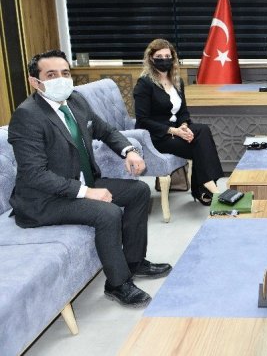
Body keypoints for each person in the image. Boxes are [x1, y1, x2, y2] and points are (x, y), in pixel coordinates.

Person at [8, 50, 172, 308]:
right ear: (34, 81)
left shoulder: (75, 100)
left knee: (139, 191)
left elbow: (105, 130)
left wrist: (129, 150)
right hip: (44, 200)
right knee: (107, 213)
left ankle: (134, 262)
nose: (61, 79)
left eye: (65, 73)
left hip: (81, 181)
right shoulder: (27, 116)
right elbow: (35, 174)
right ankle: (117, 284)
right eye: (51, 75)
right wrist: (86, 192)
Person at [133, 38, 224, 206]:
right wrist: (174, 131)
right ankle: (209, 188)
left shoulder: (177, 81)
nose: (164, 60)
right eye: (159, 57)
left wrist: (184, 126)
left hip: (176, 131)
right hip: (156, 136)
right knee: (199, 145)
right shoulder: (145, 84)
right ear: (151, 59)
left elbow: (183, 112)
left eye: (168, 56)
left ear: (173, 58)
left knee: (203, 131)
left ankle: (207, 187)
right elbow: (143, 120)